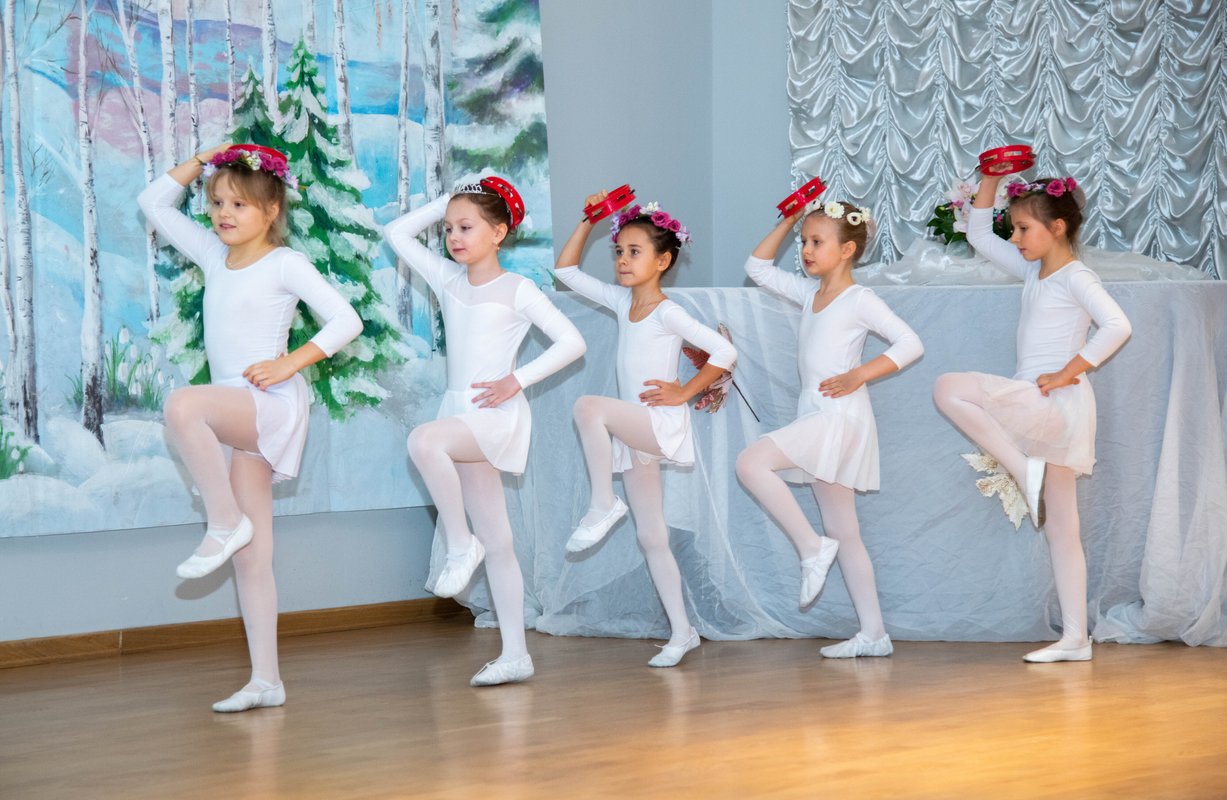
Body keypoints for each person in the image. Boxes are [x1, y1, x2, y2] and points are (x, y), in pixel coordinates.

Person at [138, 143, 363, 711]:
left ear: (271, 210)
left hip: (268, 402)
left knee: (183, 406)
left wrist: (290, 363)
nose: (223, 213)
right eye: (217, 202)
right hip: (238, 410)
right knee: (252, 557)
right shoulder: (214, 256)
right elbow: (154, 204)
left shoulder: (285, 263)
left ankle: (223, 522)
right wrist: (202, 159)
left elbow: (347, 320)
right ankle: (267, 681)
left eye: (239, 204)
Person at [384, 177, 586, 686]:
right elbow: (397, 233)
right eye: (449, 228)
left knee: (423, 440)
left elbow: (572, 342)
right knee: (498, 539)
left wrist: (517, 380)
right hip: (460, 411)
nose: (454, 236)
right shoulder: (448, 279)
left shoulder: (518, 289)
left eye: (466, 226)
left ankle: (459, 544)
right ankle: (516, 654)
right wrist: (448, 200)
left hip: (494, 416)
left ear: (498, 233)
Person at [933, 171, 1131, 663]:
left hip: (1050, 402)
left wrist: (1068, 371)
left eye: (1024, 229)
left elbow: (1118, 325)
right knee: (1063, 527)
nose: (1016, 237)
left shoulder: (1075, 276)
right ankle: (1076, 638)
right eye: (1015, 228)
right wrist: (989, 179)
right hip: (1046, 407)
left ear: (1058, 227)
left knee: (948, 387)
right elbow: (980, 235)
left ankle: (1025, 472)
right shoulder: (1032, 272)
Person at [554, 192, 737, 668]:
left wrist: (685, 391)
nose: (622, 260)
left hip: (657, 424)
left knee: (589, 407)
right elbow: (566, 271)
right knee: (651, 537)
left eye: (634, 252)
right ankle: (682, 632)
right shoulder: (622, 302)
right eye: (618, 250)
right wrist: (589, 219)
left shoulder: (667, 312)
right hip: (635, 430)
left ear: (663, 261)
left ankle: (602, 503)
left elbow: (724, 352)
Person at [736, 200, 922, 658]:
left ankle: (810, 548)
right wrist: (789, 219)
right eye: (804, 241)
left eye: (817, 242)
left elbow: (911, 343)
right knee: (845, 532)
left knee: (751, 463)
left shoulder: (859, 299)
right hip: (819, 416)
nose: (805, 250)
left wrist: (860, 374)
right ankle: (874, 634)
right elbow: (757, 267)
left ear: (847, 250)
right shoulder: (809, 294)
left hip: (839, 418)